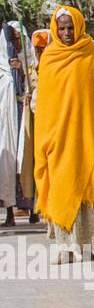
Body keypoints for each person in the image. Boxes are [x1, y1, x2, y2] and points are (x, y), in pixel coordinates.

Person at [33, 6, 94, 259]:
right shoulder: (50, 57)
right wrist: (44, 138)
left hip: (86, 137)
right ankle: (63, 245)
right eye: (62, 28)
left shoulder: (93, 55)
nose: (67, 32)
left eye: (70, 27)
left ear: (79, 25)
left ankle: (84, 245)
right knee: (61, 186)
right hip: (56, 139)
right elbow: (44, 103)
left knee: (85, 186)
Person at [1, 22, 25, 226]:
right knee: (7, 162)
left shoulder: (29, 62)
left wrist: (22, 72)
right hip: (6, 125)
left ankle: (32, 208)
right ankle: (10, 210)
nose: (16, 43)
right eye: (13, 39)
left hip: (24, 119)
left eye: (19, 39)